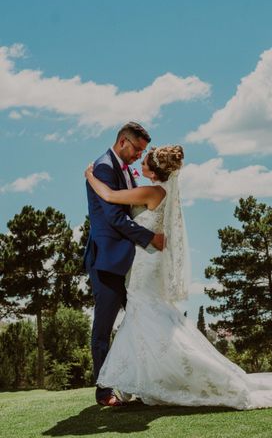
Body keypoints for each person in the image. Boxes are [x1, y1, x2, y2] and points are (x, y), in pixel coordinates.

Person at [84, 144, 272, 409]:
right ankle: (143, 380)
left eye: (144, 162)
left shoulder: (151, 191)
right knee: (147, 317)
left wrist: (90, 176)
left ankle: (153, 377)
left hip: (147, 264)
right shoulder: (161, 190)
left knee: (145, 315)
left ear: (154, 170)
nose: (139, 165)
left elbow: (110, 196)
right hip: (148, 261)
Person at [84, 122, 165, 407]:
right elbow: (114, 219)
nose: (137, 157)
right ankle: (103, 391)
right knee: (103, 329)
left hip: (133, 265)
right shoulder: (104, 167)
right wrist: (150, 238)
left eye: (142, 152)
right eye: (137, 150)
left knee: (143, 324)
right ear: (123, 142)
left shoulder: (123, 169)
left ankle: (145, 382)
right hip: (107, 261)